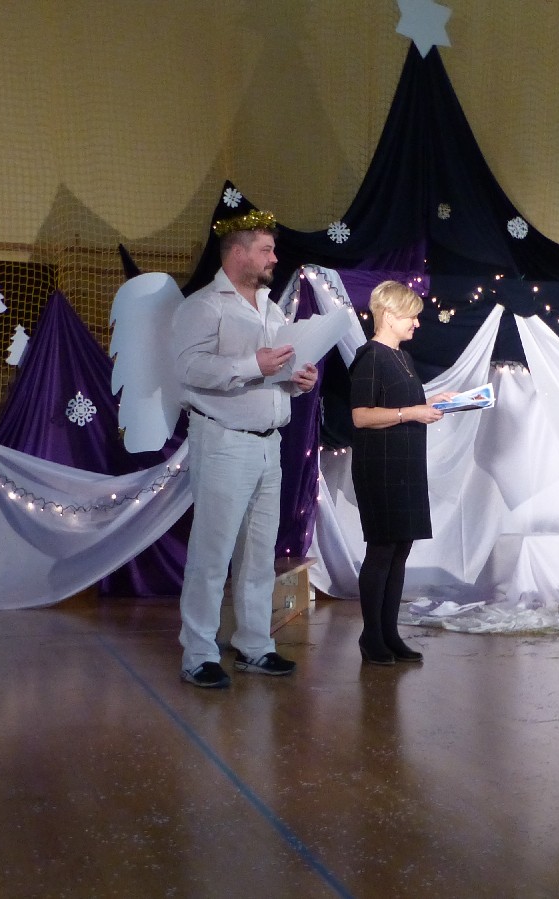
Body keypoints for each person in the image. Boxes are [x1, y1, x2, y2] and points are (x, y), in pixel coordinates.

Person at [172, 210, 317, 688]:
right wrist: (252, 364)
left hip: (268, 444)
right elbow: (188, 368)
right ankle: (198, 652)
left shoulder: (272, 310)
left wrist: (296, 380)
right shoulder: (204, 305)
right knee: (212, 553)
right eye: (266, 250)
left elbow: (273, 376)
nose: (274, 258)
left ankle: (254, 645)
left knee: (258, 554)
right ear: (237, 253)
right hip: (224, 441)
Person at [347, 280, 455, 665]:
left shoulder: (403, 358)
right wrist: (412, 412)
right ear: (389, 315)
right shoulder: (370, 357)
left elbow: (400, 404)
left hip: (405, 464)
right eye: (411, 316)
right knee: (382, 549)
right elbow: (361, 416)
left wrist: (431, 402)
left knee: (399, 549)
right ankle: (371, 637)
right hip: (380, 466)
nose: (417, 324)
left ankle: (389, 633)